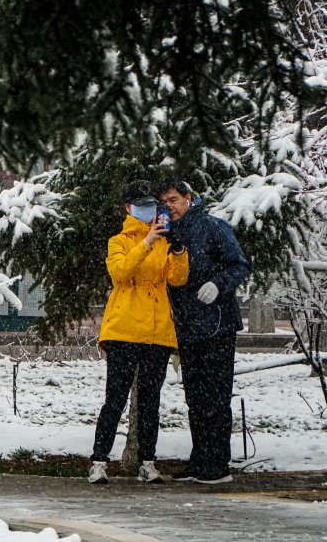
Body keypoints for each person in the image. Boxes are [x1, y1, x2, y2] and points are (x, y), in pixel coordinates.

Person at [89, 180, 189, 484]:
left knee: (150, 400)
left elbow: (178, 279)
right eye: (141, 205)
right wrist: (145, 242)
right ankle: (99, 461)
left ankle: (148, 461)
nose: (148, 210)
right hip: (124, 329)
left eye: (151, 205)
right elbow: (120, 273)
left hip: (158, 331)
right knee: (115, 398)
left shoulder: (163, 239)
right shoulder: (118, 241)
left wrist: (179, 250)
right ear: (128, 207)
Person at [159, 180, 250, 485]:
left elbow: (239, 265)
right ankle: (200, 461)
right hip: (186, 328)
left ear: (189, 198)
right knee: (195, 398)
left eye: (173, 199)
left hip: (217, 324)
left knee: (216, 396)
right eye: (164, 202)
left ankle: (218, 464)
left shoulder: (213, 227)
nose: (169, 206)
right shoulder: (167, 232)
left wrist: (218, 284)